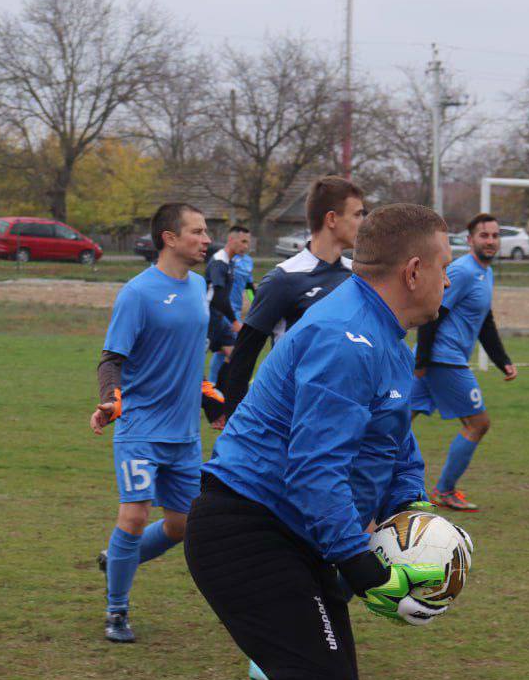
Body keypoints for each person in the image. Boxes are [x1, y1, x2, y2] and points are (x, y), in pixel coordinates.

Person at [185, 203, 455, 680]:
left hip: (294, 536)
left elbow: (393, 437)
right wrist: (359, 565)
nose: (448, 280)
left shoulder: (382, 332)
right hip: (247, 532)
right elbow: (315, 469)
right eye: (444, 265)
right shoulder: (347, 339)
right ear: (413, 271)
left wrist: (411, 509)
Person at [89, 203, 210, 643]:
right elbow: (111, 359)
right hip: (140, 427)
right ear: (169, 238)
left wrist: (211, 400)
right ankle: (116, 610)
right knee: (135, 515)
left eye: (205, 231)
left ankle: (118, 558)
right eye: (196, 231)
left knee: (182, 526)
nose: (205, 238)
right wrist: (108, 403)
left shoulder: (199, 288)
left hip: (183, 434)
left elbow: (186, 360)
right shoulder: (138, 293)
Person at [215, 176, 365, 419]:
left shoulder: (357, 275)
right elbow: (245, 353)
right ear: (332, 219)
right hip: (292, 415)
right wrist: (234, 418)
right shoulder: (285, 278)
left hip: (344, 414)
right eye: (357, 215)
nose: (363, 223)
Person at [410, 213, 517, 512]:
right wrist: (423, 360)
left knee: (395, 421)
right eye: (484, 235)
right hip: (443, 360)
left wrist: (502, 361)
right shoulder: (463, 271)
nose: (491, 241)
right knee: (478, 423)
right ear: (470, 240)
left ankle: (363, 476)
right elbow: (433, 312)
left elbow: (485, 321)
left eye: (495, 235)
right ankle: (444, 490)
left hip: (440, 360)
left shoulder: (485, 272)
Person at [206, 225, 253, 386]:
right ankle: (212, 386)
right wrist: (234, 321)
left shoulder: (244, 262)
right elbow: (218, 297)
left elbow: (249, 286)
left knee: (232, 352)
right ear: (231, 239)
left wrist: (254, 303)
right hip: (215, 314)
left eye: (248, 242)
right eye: (243, 242)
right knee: (198, 359)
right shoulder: (219, 262)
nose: (246, 246)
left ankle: (220, 388)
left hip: (229, 312)